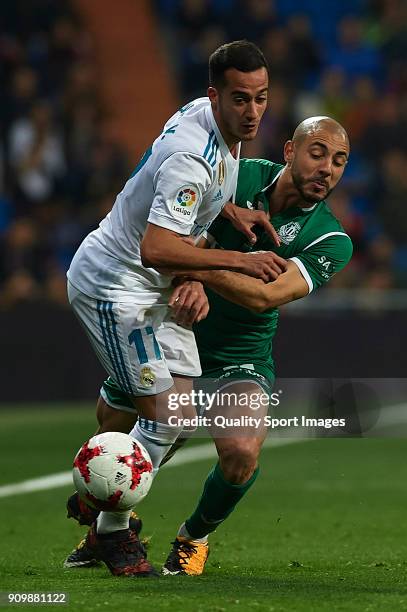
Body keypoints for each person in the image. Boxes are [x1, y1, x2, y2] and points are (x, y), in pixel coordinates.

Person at [65, 116, 353, 575]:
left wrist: (196, 271)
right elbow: (173, 229)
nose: (327, 169)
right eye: (317, 153)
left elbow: (265, 297)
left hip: (240, 354)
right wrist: (190, 269)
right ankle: (106, 523)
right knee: (111, 431)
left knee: (240, 453)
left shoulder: (331, 239)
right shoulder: (236, 174)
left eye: (339, 161)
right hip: (170, 326)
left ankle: (191, 537)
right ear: (289, 151)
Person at [65, 40, 285, 578]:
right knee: (166, 416)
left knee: (180, 418)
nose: (252, 112)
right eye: (240, 100)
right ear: (216, 97)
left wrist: (228, 208)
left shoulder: (206, 119)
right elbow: (156, 248)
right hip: (117, 288)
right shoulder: (194, 155)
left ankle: (99, 502)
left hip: (150, 286)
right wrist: (239, 259)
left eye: (260, 98)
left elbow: (182, 193)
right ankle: (111, 533)